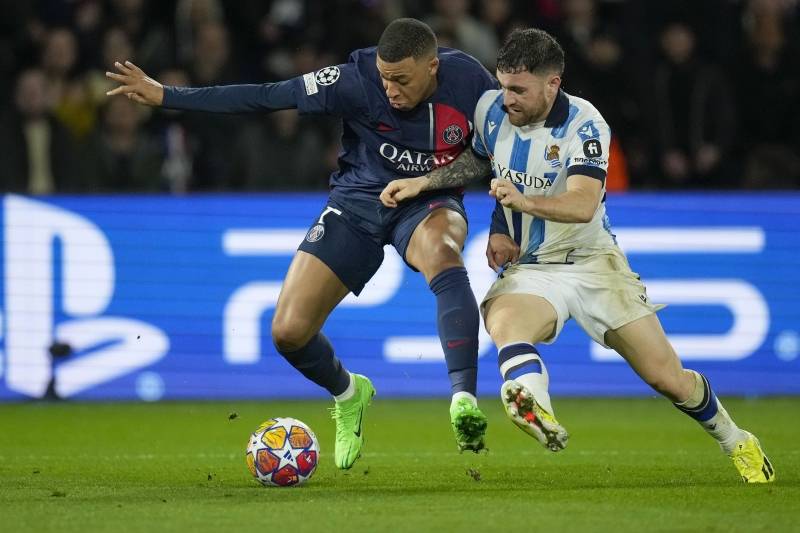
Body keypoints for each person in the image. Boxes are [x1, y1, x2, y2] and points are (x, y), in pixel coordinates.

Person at [380, 28, 774, 483]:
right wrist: (432, 188)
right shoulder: (491, 110)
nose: (506, 99)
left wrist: (523, 203)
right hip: (533, 266)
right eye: (503, 85)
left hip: (593, 264)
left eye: (519, 90)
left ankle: (735, 439)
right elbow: (484, 162)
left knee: (667, 378)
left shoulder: (585, 126)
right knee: (505, 321)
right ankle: (535, 405)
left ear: (553, 84)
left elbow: (583, 203)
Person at [106, 18, 497, 468]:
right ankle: (349, 394)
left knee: (443, 253)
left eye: (402, 80)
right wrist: (168, 96)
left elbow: (498, 156)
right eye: (385, 78)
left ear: (432, 67)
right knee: (288, 333)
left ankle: (462, 400)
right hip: (357, 202)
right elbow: (267, 95)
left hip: (429, 201)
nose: (390, 90)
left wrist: (491, 218)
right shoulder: (355, 80)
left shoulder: (471, 82)